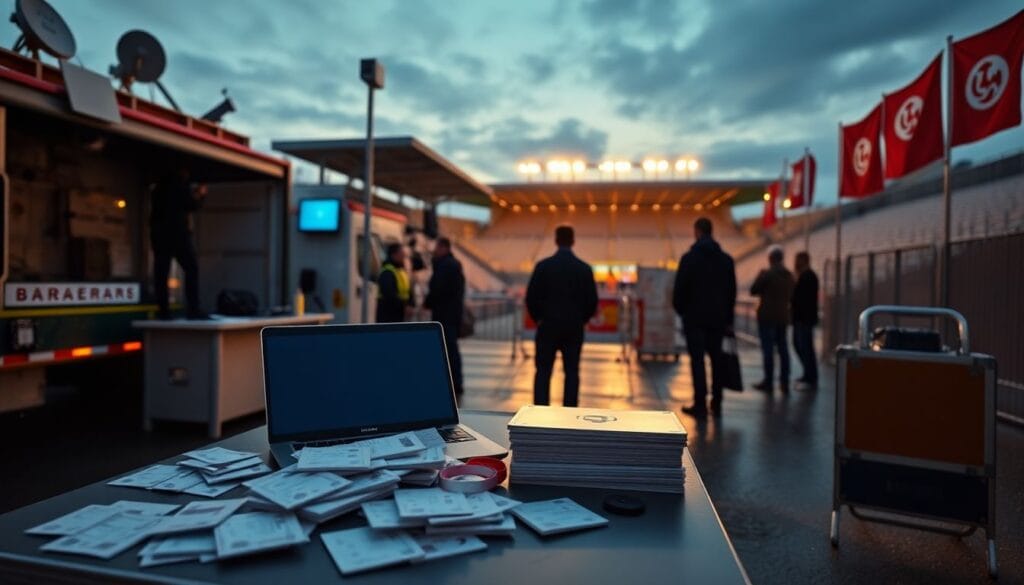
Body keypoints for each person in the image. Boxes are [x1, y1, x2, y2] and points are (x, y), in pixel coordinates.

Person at [525, 225, 598, 407]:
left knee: (543, 372)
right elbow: (592, 301)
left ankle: (540, 411)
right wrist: (581, 320)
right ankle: (569, 412)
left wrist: (539, 319)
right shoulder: (584, 269)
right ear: (573, 241)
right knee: (572, 372)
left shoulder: (543, 267)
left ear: (556, 240)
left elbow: (531, 297)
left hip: (547, 327)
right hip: (573, 328)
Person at [672, 217, 736, 418]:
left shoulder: (689, 258)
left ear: (697, 231)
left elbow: (679, 290)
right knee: (717, 360)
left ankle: (700, 403)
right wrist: (728, 319)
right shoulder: (726, 260)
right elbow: (731, 293)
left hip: (694, 319)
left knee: (697, 361)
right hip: (718, 319)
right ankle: (717, 402)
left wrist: (683, 312)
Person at [150, 168, 207, 320]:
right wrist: (200, 195)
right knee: (191, 268)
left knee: (161, 272)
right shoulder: (179, 185)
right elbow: (191, 205)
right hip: (177, 234)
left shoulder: (158, 188)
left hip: (159, 234)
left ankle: (163, 310)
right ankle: (193, 309)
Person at [750, 246, 795, 392]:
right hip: (783, 315)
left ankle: (768, 381)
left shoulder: (768, 274)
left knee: (768, 349)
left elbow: (753, 290)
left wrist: (759, 276)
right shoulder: (789, 275)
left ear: (770, 259)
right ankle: (784, 382)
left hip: (767, 316)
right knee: (783, 349)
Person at [425, 237, 466, 395]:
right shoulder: (452, 265)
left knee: (448, 349)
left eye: (437, 247)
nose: (434, 250)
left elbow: (438, 289)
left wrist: (427, 303)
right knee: (450, 349)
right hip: (450, 314)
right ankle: (454, 382)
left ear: (444, 248)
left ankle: (453, 383)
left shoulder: (446, 266)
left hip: (445, 315)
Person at [791, 251, 819, 390]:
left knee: (805, 347)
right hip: (802, 318)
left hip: (804, 319)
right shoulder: (805, 275)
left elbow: (801, 299)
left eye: (798, 260)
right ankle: (808, 374)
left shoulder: (808, 276)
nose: (795, 263)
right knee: (801, 346)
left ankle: (810, 377)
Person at [376, 243, 410, 323]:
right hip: (388, 315)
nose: (403, 257)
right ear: (394, 255)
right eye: (401, 254)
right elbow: (389, 294)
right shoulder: (387, 271)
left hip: (398, 314)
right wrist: (403, 307)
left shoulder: (400, 270)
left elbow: (407, 291)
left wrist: (410, 304)